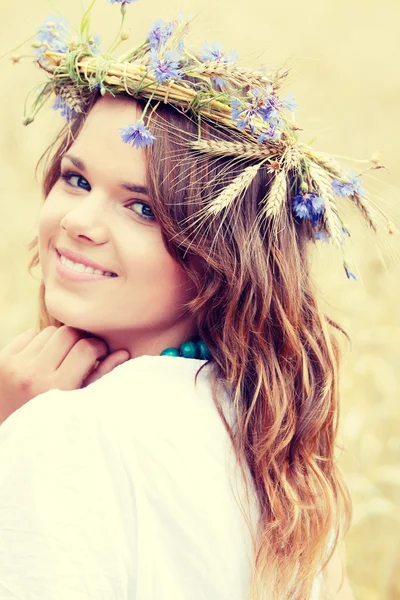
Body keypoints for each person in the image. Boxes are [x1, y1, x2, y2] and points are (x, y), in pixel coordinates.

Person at [0, 3, 389, 599]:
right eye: (76, 179)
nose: (79, 220)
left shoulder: (63, 433)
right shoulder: (279, 455)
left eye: (143, 208)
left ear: (218, 260)